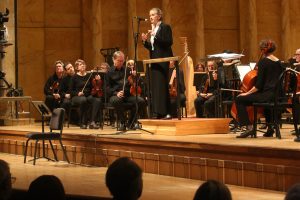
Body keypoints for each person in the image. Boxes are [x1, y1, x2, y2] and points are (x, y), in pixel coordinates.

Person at [235, 39, 283, 138]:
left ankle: (249, 128)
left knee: (240, 99)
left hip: (268, 95)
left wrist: (246, 93)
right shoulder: (278, 62)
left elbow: (258, 85)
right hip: (278, 95)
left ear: (262, 50)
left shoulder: (263, 62)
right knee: (261, 97)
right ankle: (270, 129)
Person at [141, 7, 173, 119]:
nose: (150, 17)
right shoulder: (154, 29)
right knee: (155, 87)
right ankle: (158, 112)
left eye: (153, 15)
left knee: (162, 86)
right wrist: (145, 41)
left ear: (159, 16)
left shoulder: (165, 27)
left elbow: (168, 42)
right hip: (154, 60)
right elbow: (153, 48)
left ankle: (167, 112)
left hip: (163, 60)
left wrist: (155, 35)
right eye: (150, 15)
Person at [106, 51, 146, 131]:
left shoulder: (127, 70)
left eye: (122, 61)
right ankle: (122, 122)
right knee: (117, 100)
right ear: (113, 60)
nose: (121, 63)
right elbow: (107, 88)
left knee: (140, 101)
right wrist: (116, 93)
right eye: (119, 61)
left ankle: (130, 123)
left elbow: (135, 82)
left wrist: (135, 76)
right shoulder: (109, 72)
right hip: (115, 95)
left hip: (127, 95)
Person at [70, 59, 102, 129]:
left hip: (88, 95)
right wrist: (78, 93)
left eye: (84, 64)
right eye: (81, 65)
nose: (83, 66)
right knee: (83, 100)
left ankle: (92, 121)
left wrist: (97, 80)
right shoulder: (74, 77)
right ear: (77, 68)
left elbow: (94, 86)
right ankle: (82, 122)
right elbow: (70, 91)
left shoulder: (89, 75)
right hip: (76, 97)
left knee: (97, 100)